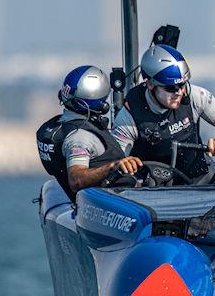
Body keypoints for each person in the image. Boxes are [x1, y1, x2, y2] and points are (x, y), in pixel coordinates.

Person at [111, 44, 215, 184]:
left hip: (199, 174)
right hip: (154, 188)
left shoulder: (195, 95)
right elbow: (114, 163)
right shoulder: (128, 117)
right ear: (150, 84)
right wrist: (124, 163)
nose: (179, 92)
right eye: (171, 88)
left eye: (182, 85)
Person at [36, 66, 142, 201]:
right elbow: (76, 181)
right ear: (101, 104)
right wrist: (113, 166)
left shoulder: (61, 126)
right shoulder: (80, 137)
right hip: (108, 205)